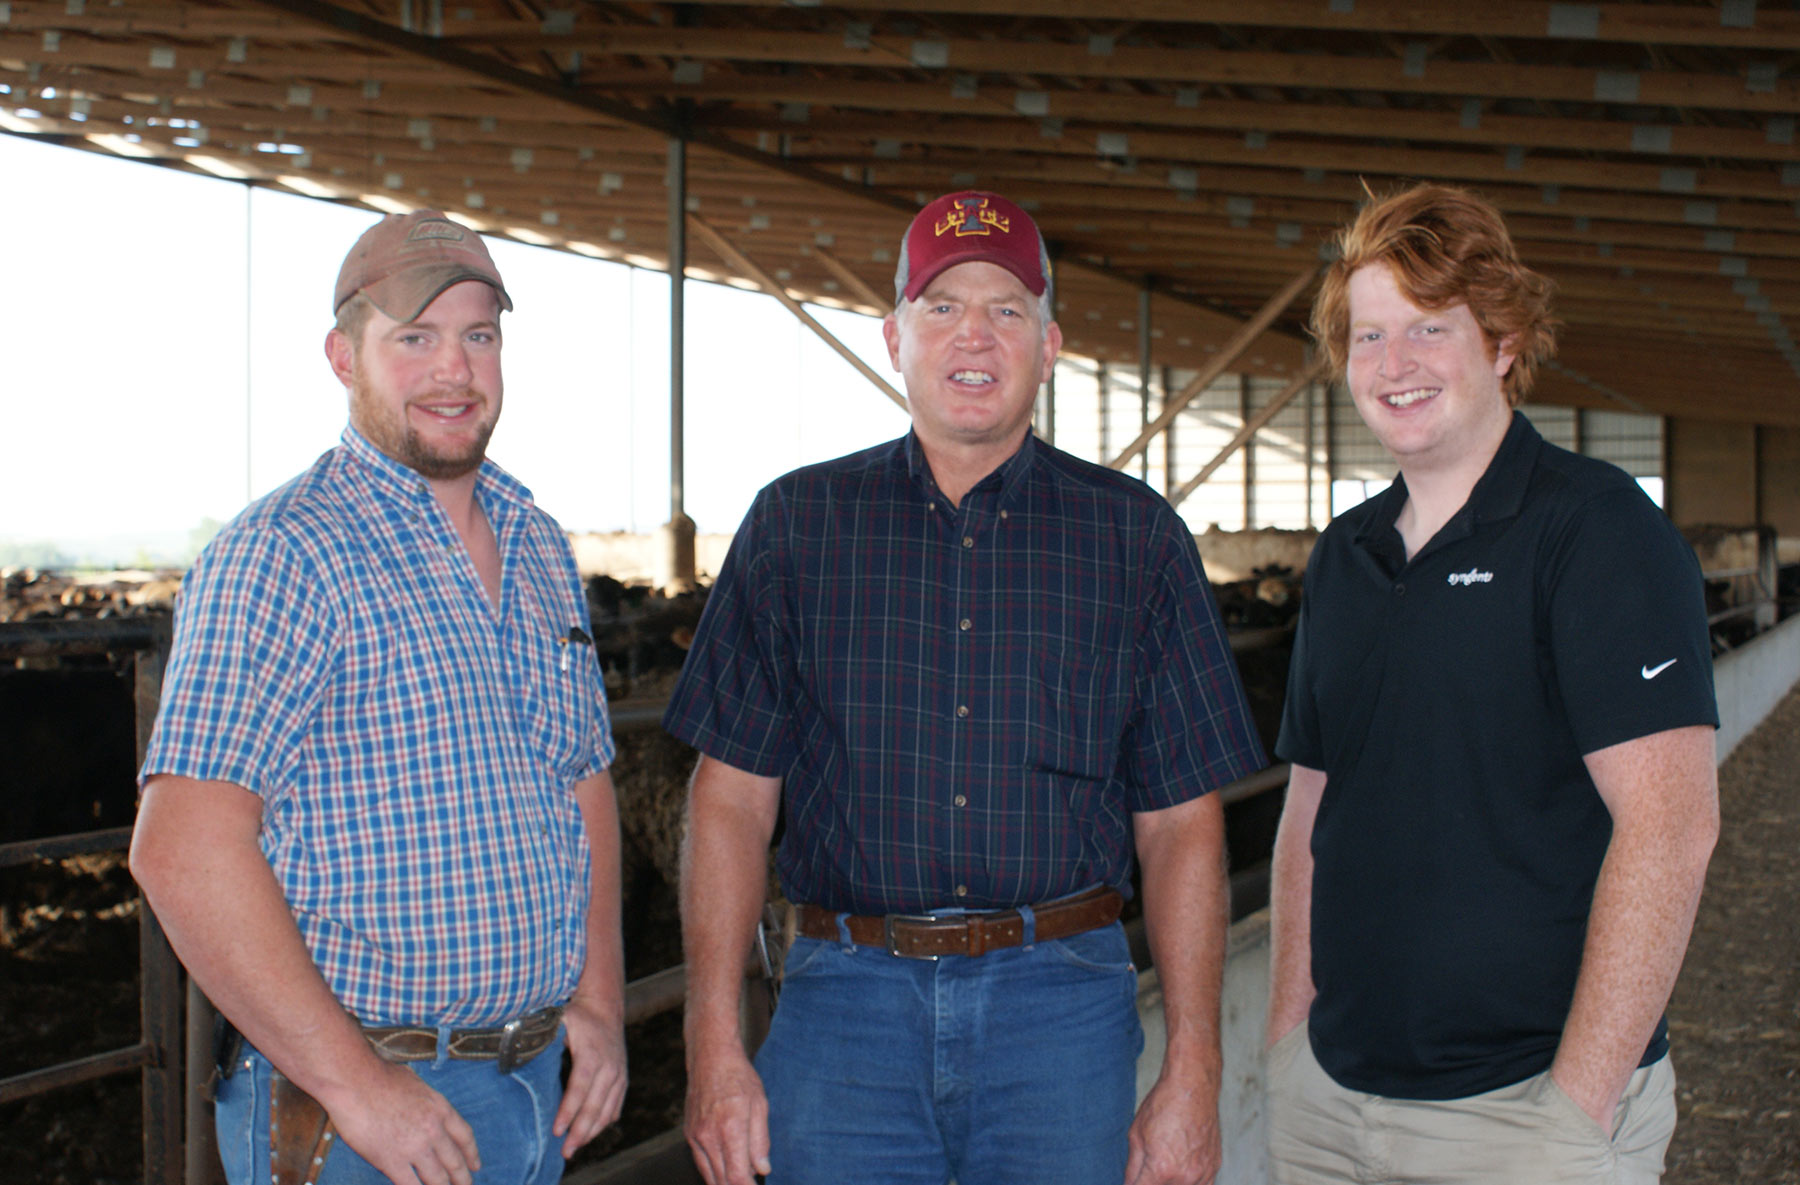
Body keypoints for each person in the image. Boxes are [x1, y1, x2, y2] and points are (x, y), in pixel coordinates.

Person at [664, 189, 1266, 1185]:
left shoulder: (1135, 539)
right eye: (942, 306)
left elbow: (1182, 823)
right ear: (894, 335)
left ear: (1051, 341)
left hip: (1061, 1007)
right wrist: (712, 1047)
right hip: (844, 1005)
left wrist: (1194, 1069)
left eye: (1006, 308)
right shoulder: (796, 527)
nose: (973, 335)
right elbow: (728, 801)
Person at [129, 210, 627, 1185]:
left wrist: (601, 1003)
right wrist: (357, 1087)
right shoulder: (286, 552)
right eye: (414, 337)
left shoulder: (539, 547)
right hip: (366, 1114)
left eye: (478, 335)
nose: (455, 369)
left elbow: (585, 784)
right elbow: (182, 844)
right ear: (341, 355)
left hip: (532, 1085)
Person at [1265, 183, 1720, 1184]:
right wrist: (1286, 1041)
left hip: (1521, 1116)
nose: (1395, 365)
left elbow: (1672, 825)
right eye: (1370, 337)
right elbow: (1311, 809)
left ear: (1504, 342)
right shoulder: (1346, 555)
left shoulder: (1596, 532)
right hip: (1331, 1108)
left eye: (1430, 328)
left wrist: (1575, 1109)